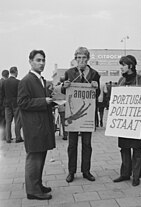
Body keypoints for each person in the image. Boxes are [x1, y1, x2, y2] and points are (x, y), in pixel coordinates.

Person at [17, 50, 55, 200]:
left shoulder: (41, 79)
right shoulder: (26, 80)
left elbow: (38, 99)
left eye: (43, 60)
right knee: (34, 157)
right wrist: (43, 101)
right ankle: (32, 191)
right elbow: (22, 102)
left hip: (41, 124)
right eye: (38, 60)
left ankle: (37, 184)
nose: (41, 63)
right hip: (33, 126)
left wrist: (51, 101)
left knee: (41, 155)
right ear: (30, 62)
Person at [62, 47, 100, 183]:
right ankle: (71, 171)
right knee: (72, 145)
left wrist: (97, 87)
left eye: (84, 58)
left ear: (88, 58)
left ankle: (86, 171)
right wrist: (64, 86)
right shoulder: (69, 72)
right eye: (78, 58)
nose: (81, 60)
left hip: (87, 115)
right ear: (75, 59)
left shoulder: (94, 74)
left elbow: (98, 94)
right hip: (72, 114)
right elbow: (63, 90)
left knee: (87, 144)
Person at [113, 55, 141, 186]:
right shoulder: (121, 80)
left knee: (137, 148)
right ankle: (125, 174)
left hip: (137, 121)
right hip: (124, 121)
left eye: (123, 65)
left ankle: (136, 176)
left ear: (131, 66)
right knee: (124, 147)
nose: (121, 67)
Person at [3, 67, 23, 143]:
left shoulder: (5, 82)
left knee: (8, 121)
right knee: (17, 121)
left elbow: (3, 93)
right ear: (16, 72)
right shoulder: (18, 82)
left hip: (7, 104)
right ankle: (18, 137)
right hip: (16, 104)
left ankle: (8, 138)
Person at [0, 69, 9, 140]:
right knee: (4, 120)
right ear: (7, 75)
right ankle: (3, 136)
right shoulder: (5, 83)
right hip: (3, 104)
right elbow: (5, 94)